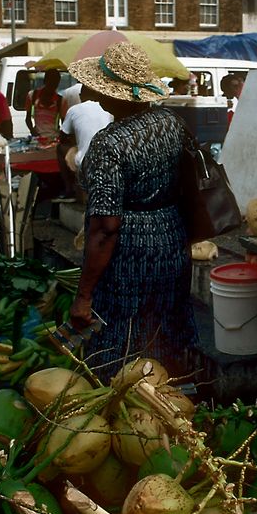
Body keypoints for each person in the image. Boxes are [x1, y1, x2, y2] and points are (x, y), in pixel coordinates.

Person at [67, 42, 196, 380]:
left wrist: (84, 295)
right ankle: (176, 407)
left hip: (129, 252)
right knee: (167, 329)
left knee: (124, 344)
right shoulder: (172, 123)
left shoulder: (109, 144)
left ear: (112, 95)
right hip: (172, 236)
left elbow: (106, 227)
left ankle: (128, 416)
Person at [57, 84, 113, 176]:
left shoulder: (74, 110)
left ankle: (68, 185)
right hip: (107, 161)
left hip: (84, 162)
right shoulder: (107, 110)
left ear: (81, 96)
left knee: (60, 148)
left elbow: (62, 137)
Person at [25, 68, 63, 139]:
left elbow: (64, 122)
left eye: (55, 84)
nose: (53, 86)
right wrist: (33, 132)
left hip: (54, 138)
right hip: (37, 138)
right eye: (51, 83)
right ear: (45, 81)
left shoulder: (60, 100)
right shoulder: (32, 95)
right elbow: (27, 118)